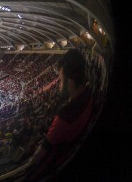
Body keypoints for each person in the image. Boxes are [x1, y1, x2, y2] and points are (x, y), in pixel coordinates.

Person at [24, 49, 93, 181]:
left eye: (61, 81)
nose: (59, 86)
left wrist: (31, 162)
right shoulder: (88, 93)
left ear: (71, 83)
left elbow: (43, 150)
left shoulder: (64, 117)